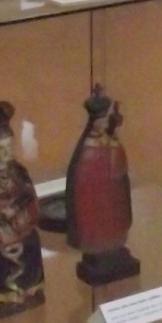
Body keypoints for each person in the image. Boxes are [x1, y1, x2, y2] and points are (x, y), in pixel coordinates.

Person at [0, 101, 45, 317]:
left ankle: (28, 291)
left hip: (18, 222)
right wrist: (0, 215)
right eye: (1, 149)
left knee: (31, 241)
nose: (6, 153)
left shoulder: (18, 171)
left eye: (9, 147)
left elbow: (29, 196)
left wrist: (20, 215)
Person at [65, 84, 137, 284]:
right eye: (100, 121)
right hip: (95, 194)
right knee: (97, 221)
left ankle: (115, 244)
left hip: (112, 192)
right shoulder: (87, 146)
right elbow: (83, 174)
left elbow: (119, 164)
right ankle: (97, 248)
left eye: (105, 120)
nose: (103, 124)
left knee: (114, 218)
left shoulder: (110, 138)